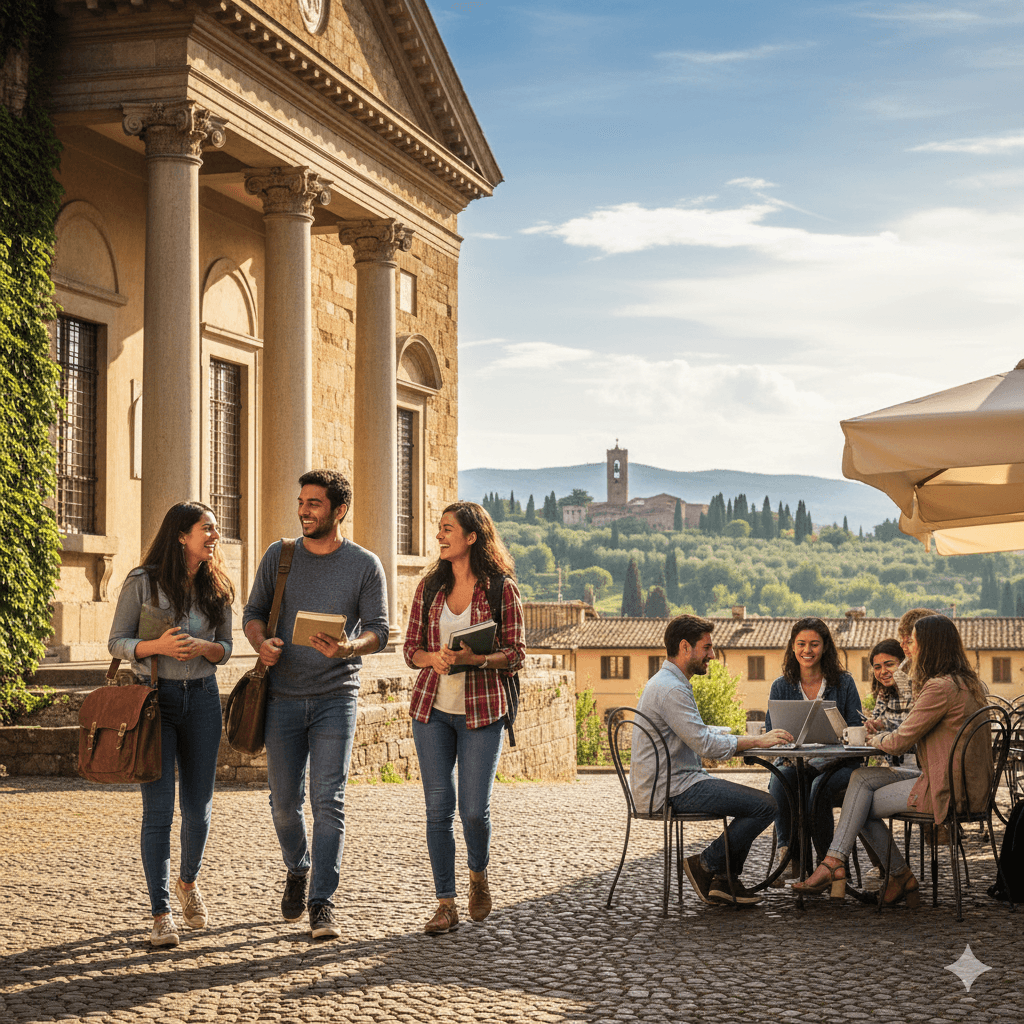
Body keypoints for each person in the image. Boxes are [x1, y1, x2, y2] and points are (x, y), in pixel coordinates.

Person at [243, 470, 389, 939]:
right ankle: (298, 865)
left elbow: (379, 631)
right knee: (284, 804)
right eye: (301, 502)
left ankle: (322, 901)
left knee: (329, 800)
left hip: (336, 696)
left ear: (339, 510)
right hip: (282, 696)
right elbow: (252, 615)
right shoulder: (280, 555)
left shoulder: (365, 565)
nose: (304, 510)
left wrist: (349, 647)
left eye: (315, 504)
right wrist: (262, 644)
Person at [793, 615, 993, 906]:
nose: (909, 649)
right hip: (958, 781)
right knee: (859, 781)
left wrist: (874, 740)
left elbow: (900, 740)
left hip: (948, 790)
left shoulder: (939, 688)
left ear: (930, 646)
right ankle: (857, 868)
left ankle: (879, 872)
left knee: (857, 806)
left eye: (913, 642)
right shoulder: (965, 683)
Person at [108, 501, 234, 947]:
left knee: (198, 809)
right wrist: (154, 645)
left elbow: (227, 647)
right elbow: (117, 641)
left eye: (216, 529)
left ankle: (188, 883)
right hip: (153, 704)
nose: (215, 535)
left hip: (202, 700)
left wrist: (204, 648)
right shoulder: (142, 582)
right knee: (158, 812)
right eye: (207, 528)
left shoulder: (217, 585)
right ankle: (161, 912)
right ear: (181, 535)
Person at [403, 502, 525, 934]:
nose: (439, 535)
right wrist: (431, 657)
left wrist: (478, 659)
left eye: (448, 529)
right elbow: (409, 651)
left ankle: (478, 874)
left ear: (472, 538)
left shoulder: (500, 590)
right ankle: (445, 904)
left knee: (473, 812)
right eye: (438, 528)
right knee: (438, 809)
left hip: (483, 713)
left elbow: (516, 654)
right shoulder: (429, 589)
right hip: (431, 711)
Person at [630, 615, 793, 906]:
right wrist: (756, 741)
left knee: (756, 803)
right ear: (685, 647)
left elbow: (693, 733)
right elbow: (704, 744)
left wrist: (733, 736)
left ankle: (723, 882)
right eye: (707, 647)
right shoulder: (673, 689)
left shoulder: (666, 682)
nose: (712, 655)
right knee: (765, 805)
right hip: (672, 790)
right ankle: (706, 866)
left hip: (670, 784)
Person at [764, 618, 863, 878]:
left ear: (825, 647)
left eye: (814, 644)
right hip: (796, 762)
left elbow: (855, 728)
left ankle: (826, 862)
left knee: (818, 787)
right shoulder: (780, 686)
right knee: (780, 780)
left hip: (838, 764)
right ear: (792, 647)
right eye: (801, 644)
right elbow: (771, 733)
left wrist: (841, 737)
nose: (807, 650)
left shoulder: (844, 683)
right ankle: (790, 855)